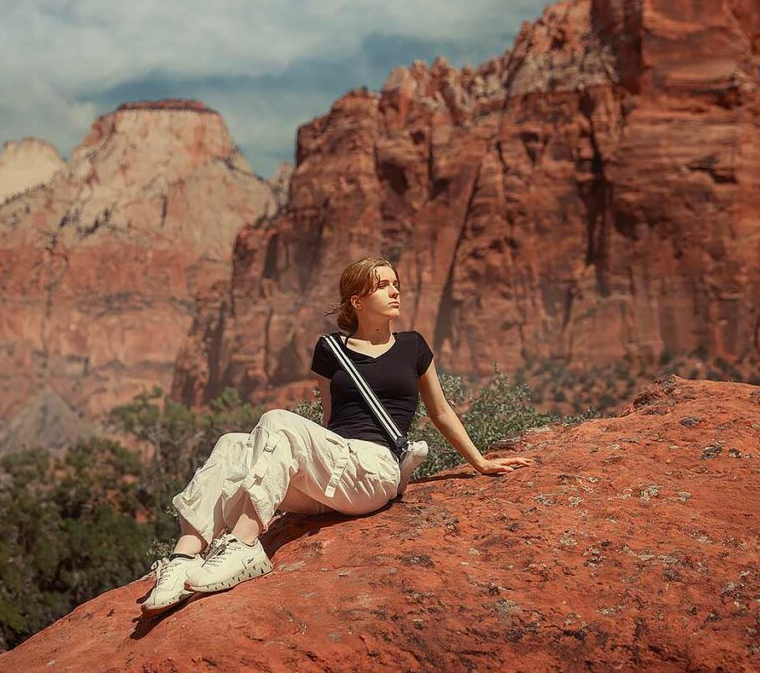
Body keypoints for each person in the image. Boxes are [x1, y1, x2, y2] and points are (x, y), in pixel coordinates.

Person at [142, 256, 532, 613]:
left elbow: (441, 412)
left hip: (374, 469)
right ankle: (184, 558)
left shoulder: (413, 346)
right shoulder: (330, 350)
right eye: (383, 285)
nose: (395, 292)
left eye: (396, 284)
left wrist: (480, 462)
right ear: (357, 300)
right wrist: (295, 468)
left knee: (278, 420)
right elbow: (331, 422)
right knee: (231, 444)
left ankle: (244, 545)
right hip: (336, 473)